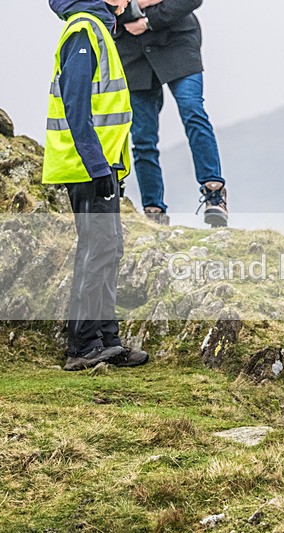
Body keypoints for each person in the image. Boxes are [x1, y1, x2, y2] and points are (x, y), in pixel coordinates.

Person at [45, 0, 149, 371]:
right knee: (97, 250)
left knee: (108, 249)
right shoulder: (85, 29)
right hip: (87, 168)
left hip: (99, 167)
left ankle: (106, 340)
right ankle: (84, 346)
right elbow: (76, 105)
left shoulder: (98, 28)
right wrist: (97, 165)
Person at [113, 0, 227, 227]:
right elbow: (103, 7)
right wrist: (140, 4)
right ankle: (153, 210)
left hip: (178, 42)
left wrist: (147, 19)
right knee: (143, 137)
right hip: (131, 53)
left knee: (192, 112)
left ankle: (214, 192)